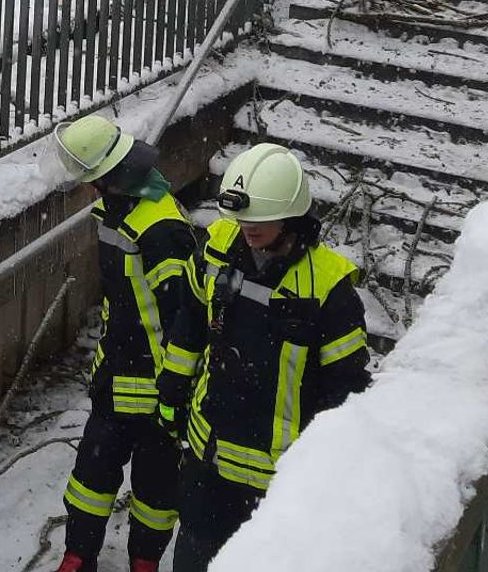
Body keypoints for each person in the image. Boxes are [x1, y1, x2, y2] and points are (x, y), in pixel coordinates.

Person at [154, 144, 370, 572]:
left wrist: (327, 466)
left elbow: (344, 390)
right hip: (208, 460)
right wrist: (173, 390)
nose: (248, 229)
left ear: (292, 215)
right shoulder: (217, 249)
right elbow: (190, 324)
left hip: (280, 481)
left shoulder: (327, 289)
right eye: (242, 219)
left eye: (260, 220)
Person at [53, 115, 198, 572]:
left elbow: (185, 319)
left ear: (106, 176)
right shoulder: (117, 207)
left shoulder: (161, 229)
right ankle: (79, 555)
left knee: (156, 490)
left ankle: (144, 563)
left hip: (157, 385)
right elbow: (122, 299)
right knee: (90, 480)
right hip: (117, 373)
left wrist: (175, 391)